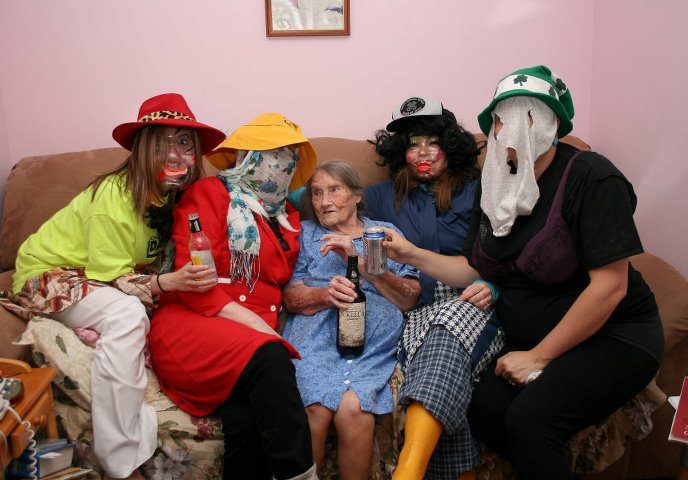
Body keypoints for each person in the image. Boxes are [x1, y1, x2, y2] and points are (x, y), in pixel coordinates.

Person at [382, 66, 664, 480]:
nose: (512, 130)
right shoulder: (494, 183)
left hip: (611, 335)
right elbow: (473, 269)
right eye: (501, 119)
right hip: (526, 335)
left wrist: (538, 357)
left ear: (553, 124)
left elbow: (610, 287)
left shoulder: (591, 177)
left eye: (529, 117)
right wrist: (411, 253)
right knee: (477, 407)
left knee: (531, 421)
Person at [5, 93, 225, 479]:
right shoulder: (115, 197)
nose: (174, 154)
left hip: (102, 278)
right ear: (142, 150)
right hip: (51, 273)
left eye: (184, 142)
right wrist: (165, 282)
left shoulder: (173, 198)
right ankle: (121, 462)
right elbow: (114, 279)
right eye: (162, 143)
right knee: (127, 314)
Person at [148, 113, 319, 480]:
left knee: (246, 423)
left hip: (245, 335)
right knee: (270, 357)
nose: (284, 160)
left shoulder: (287, 214)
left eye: (290, 152)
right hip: (196, 322)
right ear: (247, 157)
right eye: (273, 151)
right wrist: (261, 330)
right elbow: (197, 284)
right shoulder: (209, 193)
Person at [365, 97, 504, 480]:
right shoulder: (382, 196)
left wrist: (492, 283)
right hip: (417, 307)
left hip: (472, 301)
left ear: (450, 146)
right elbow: (322, 195)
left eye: (431, 141)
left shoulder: (480, 191)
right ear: (401, 153)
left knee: (445, 332)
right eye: (412, 144)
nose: (423, 152)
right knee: (441, 362)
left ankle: (407, 473)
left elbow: (509, 250)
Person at [281, 160, 421, 479]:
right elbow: (290, 297)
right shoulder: (305, 234)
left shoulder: (383, 234)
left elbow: (408, 298)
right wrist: (322, 295)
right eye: (316, 193)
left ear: (357, 195)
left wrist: (355, 258)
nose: (324, 201)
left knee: (355, 411)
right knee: (314, 407)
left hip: (370, 350)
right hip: (316, 343)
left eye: (334, 190)